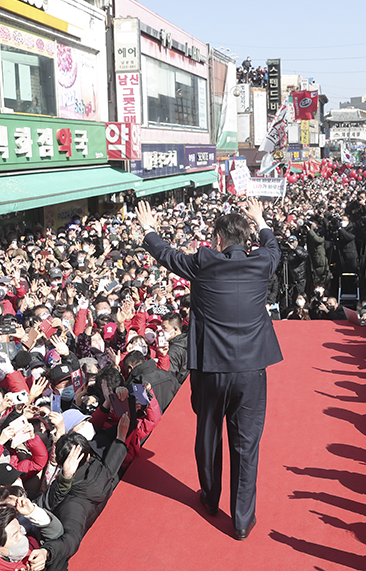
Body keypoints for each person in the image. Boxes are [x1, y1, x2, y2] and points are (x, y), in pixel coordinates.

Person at [136, 197, 283, 540]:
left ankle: (210, 497)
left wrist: (148, 229)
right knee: (247, 445)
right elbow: (272, 245)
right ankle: (243, 520)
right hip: (251, 371)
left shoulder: (203, 262)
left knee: (208, 435)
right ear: (246, 240)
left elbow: (166, 255)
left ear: (217, 240)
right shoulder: (262, 262)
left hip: (211, 369)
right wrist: (260, 219)